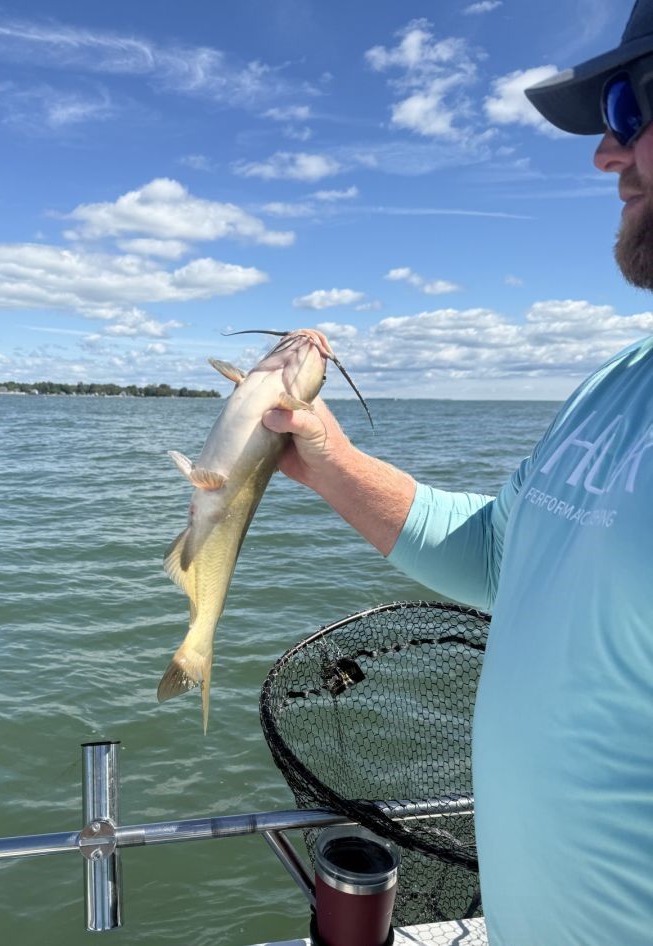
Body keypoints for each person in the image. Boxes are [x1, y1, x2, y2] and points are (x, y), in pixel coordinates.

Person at [263, 3, 653, 944]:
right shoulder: (617, 385)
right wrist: (330, 464)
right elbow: (497, 553)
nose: (608, 155)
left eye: (631, 108)